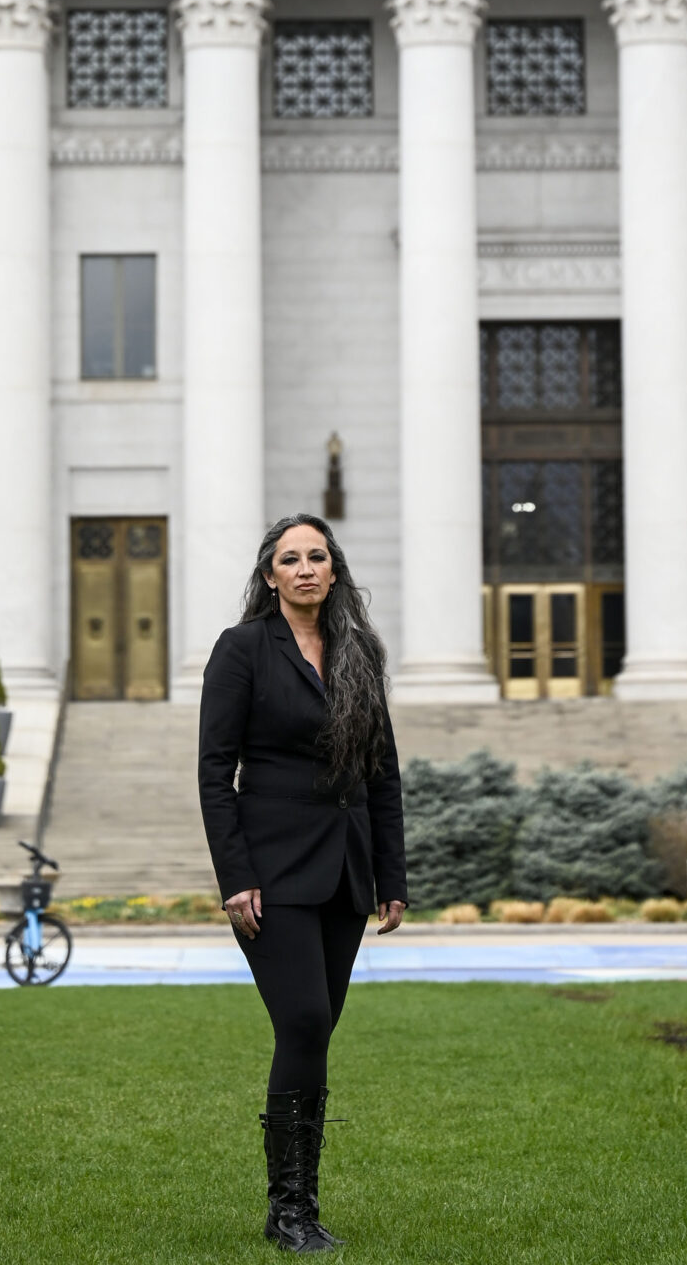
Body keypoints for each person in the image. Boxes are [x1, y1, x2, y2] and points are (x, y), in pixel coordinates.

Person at [199, 513, 407, 1254]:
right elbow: (213, 771)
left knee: (319, 1032)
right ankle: (287, 1209)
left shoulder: (360, 652)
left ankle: (301, 1204)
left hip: (345, 869)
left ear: (333, 569)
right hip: (270, 871)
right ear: (269, 576)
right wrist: (235, 877)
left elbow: (380, 771)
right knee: (304, 1023)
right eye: (290, 559)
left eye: (317, 556)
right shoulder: (242, 650)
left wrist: (392, 876)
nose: (305, 569)